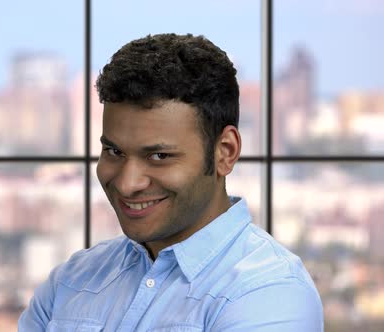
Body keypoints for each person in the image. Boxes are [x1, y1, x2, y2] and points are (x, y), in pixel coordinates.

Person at [18, 33, 323, 331]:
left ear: (225, 152)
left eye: (159, 156)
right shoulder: (70, 282)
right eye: (114, 151)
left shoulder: (270, 293)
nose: (127, 184)